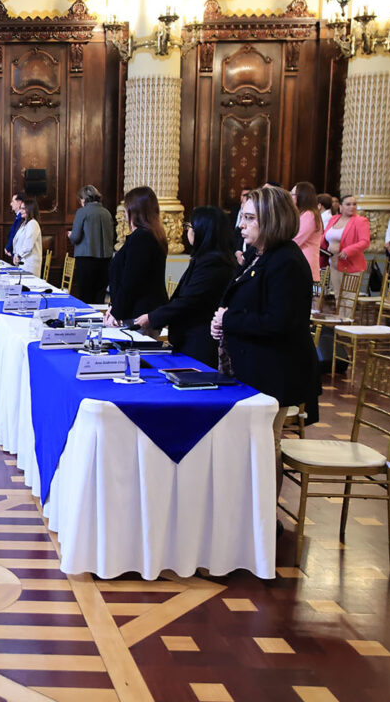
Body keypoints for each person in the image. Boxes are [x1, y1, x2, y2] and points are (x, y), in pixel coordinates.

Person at [211, 185, 320, 496]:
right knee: (254, 444)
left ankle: (265, 517)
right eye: (242, 217)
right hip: (257, 365)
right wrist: (223, 323)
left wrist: (229, 320)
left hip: (276, 369)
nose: (241, 225)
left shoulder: (286, 261)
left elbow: (279, 321)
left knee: (265, 444)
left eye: (249, 218)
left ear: (271, 219)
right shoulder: (262, 256)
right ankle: (250, 512)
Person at [135, 206, 236, 368]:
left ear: (202, 231)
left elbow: (188, 301)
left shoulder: (214, 263)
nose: (187, 230)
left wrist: (152, 318)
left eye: (190, 226)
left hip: (199, 341)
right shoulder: (204, 259)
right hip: (188, 337)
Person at [106, 186, 168, 328]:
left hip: (139, 315)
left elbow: (131, 281)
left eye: (126, 209)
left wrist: (116, 312)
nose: (124, 214)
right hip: (137, 311)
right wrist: (114, 307)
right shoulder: (148, 235)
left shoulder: (142, 237)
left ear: (134, 211)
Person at [67, 185, 114, 303]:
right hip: (105, 260)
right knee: (100, 295)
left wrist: (70, 235)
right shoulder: (107, 213)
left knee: (86, 296)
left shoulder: (82, 212)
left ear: (83, 199)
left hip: (86, 259)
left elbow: (76, 237)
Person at [321, 193, 370, 298]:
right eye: (348, 204)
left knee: (348, 298)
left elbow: (365, 242)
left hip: (350, 264)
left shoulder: (360, 221)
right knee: (337, 296)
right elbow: (325, 236)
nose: (352, 207)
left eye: (354, 204)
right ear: (340, 206)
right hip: (333, 263)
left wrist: (348, 250)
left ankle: (347, 311)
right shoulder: (334, 219)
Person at [291, 181, 323, 282]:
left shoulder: (309, 215)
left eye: (292, 194)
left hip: (304, 263)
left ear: (302, 196)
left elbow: (296, 240)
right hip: (298, 261)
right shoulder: (303, 214)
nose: (290, 197)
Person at [11, 194, 42, 274]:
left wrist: (18, 256)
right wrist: (16, 255)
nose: (21, 211)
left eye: (23, 208)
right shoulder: (25, 223)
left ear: (30, 209)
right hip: (22, 263)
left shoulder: (33, 223)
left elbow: (28, 245)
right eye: (20, 208)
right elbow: (17, 241)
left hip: (30, 265)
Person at [2, 193, 24, 262]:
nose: (10, 204)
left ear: (19, 203)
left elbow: (15, 234)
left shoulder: (21, 217)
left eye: (12, 201)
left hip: (19, 255)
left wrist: (8, 247)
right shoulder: (17, 216)